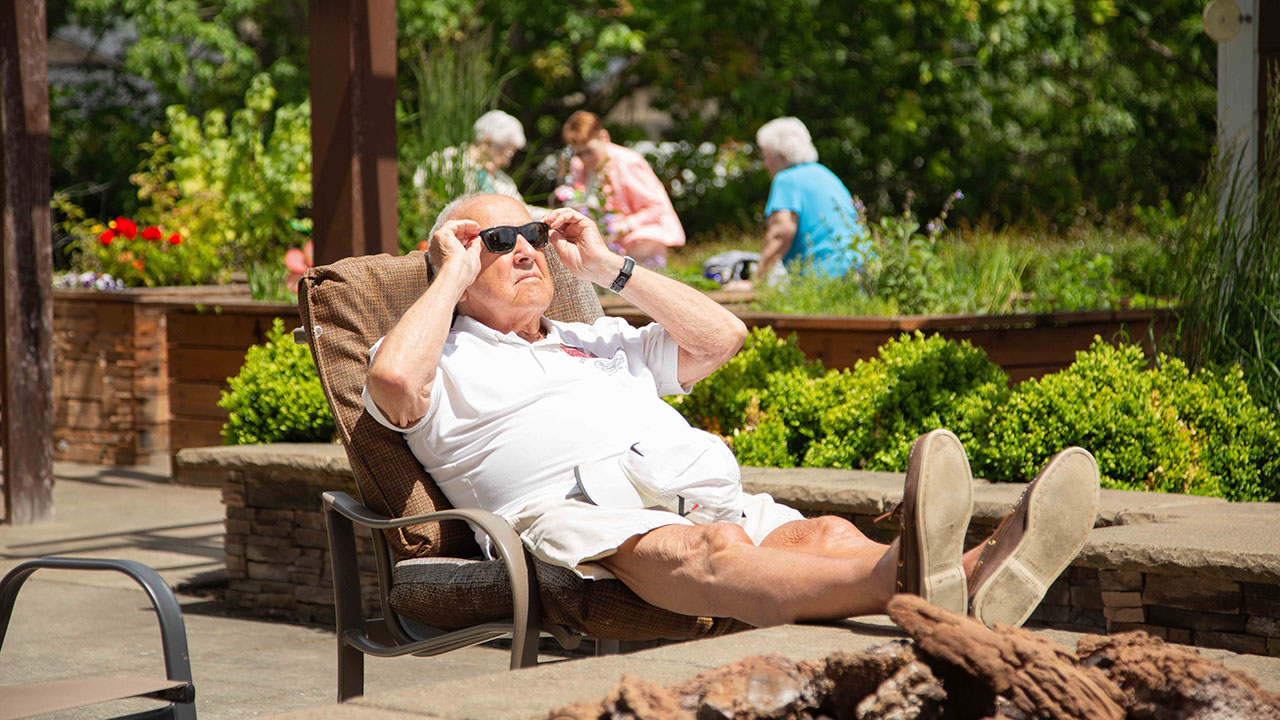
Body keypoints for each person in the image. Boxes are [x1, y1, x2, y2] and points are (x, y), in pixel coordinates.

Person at [362, 192, 1100, 629]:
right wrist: (451, 274)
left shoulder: (594, 337)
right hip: (572, 515)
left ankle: (949, 579)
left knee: (827, 532)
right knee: (707, 553)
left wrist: (611, 268)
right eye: (496, 241)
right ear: (454, 260)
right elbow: (394, 384)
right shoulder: (436, 355)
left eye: (532, 236)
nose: (526, 251)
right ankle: (942, 574)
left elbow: (723, 337)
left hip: (687, 486)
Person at [741, 117, 867, 287]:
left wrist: (756, 281)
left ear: (783, 157)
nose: (765, 164)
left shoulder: (786, 179)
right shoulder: (826, 175)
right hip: (862, 269)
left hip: (826, 279)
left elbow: (781, 233)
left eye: (766, 156)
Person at [559, 111, 685, 268]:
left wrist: (623, 226)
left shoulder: (628, 162)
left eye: (589, 151)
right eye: (579, 152)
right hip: (606, 249)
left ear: (603, 137)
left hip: (641, 245)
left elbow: (656, 207)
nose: (585, 159)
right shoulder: (578, 166)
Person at [414, 109, 529, 202]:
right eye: (507, 154)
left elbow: (522, 210)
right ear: (487, 141)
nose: (506, 163)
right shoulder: (445, 162)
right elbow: (420, 199)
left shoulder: (503, 181)